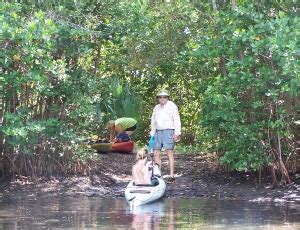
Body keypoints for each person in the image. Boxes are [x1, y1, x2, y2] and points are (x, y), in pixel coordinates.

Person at [150, 90, 181, 184]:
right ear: (158, 98)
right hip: (158, 131)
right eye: (160, 97)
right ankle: (158, 175)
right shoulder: (156, 107)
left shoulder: (172, 106)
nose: (162, 98)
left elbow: (176, 119)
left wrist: (177, 133)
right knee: (156, 153)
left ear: (167, 98)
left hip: (169, 131)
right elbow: (153, 120)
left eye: (164, 97)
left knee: (169, 153)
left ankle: (171, 176)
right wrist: (152, 132)